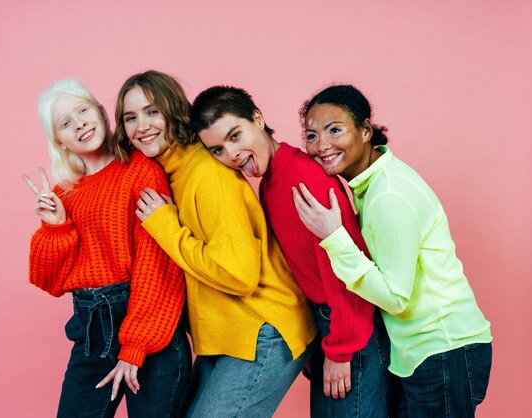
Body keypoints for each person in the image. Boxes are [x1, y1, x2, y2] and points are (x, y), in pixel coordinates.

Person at [108, 70, 317, 418]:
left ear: (174, 110)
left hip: (261, 329)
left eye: (152, 111)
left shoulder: (207, 174)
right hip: (225, 335)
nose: (141, 125)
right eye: (130, 117)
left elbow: (239, 274)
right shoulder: (171, 171)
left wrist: (167, 228)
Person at [190, 85, 391, 417]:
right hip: (330, 323)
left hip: (351, 328)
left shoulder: (303, 179)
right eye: (218, 149)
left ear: (258, 119)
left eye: (236, 135)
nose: (232, 153)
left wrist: (340, 351)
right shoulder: (271, 181)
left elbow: (346, 268)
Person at [292, 84, 492, 417]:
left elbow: (396, 298)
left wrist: (334, 237)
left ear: (366, 130)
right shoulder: (370, 185)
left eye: (335, 130)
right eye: (312, 135)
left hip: (443, 350)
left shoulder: (388, 196)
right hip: (426, 353)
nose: (322, 145)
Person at [21, 79, 190, 418]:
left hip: (149, 328)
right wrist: (55, 228)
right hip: (91, 333)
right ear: (59, 140)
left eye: (83, 110)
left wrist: (136, 345)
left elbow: (156, 265)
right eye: (66, 123)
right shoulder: (64, 192)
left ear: (100, 111)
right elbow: (50, 282)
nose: (80, 123)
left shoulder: (142, 170)